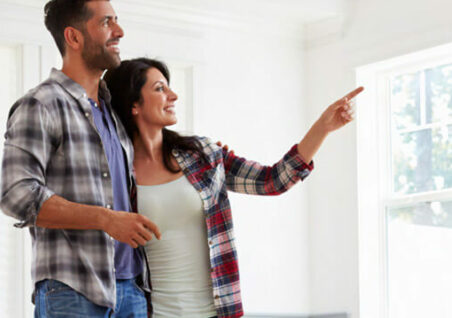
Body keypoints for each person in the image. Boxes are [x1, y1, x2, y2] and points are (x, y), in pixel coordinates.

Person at [103, 58, 364, 318]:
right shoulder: (115, 171)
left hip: (217, 311)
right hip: (147, 312)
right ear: (134, 104)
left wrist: (322, 128)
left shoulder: (202, 154)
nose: (173, 95)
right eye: (160, 88)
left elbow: (272, 181)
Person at [0, 0, 160, 318]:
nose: (119, 31)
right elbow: (17, 195)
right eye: (106, 22)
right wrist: (105, 219)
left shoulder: (111, 113)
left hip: (131, 289)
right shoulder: (40, 104)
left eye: (115, 20)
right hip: (72, 289)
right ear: (73, 37)